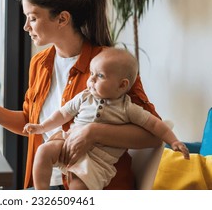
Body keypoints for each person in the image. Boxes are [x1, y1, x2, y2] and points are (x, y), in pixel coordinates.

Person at [0, 0, 163, 190]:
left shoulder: (109, 66)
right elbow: (31, 122)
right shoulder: (40, 63)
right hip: (47, 185)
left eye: (33, 18)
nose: (26, 27)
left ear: (62, 19)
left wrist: (93, 133)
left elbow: (153, 135)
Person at [23, 47, 190, 190]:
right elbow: (62, 113)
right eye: (92, 73)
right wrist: (41, 127)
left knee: (78, 187)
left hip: (97, 161)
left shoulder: (128, 108)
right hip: (69, 141)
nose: (91, 80)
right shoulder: (85, 96)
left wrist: (174, 141)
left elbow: (155, 125)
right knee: (43, 151)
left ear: (122, 85)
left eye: (100, 76)